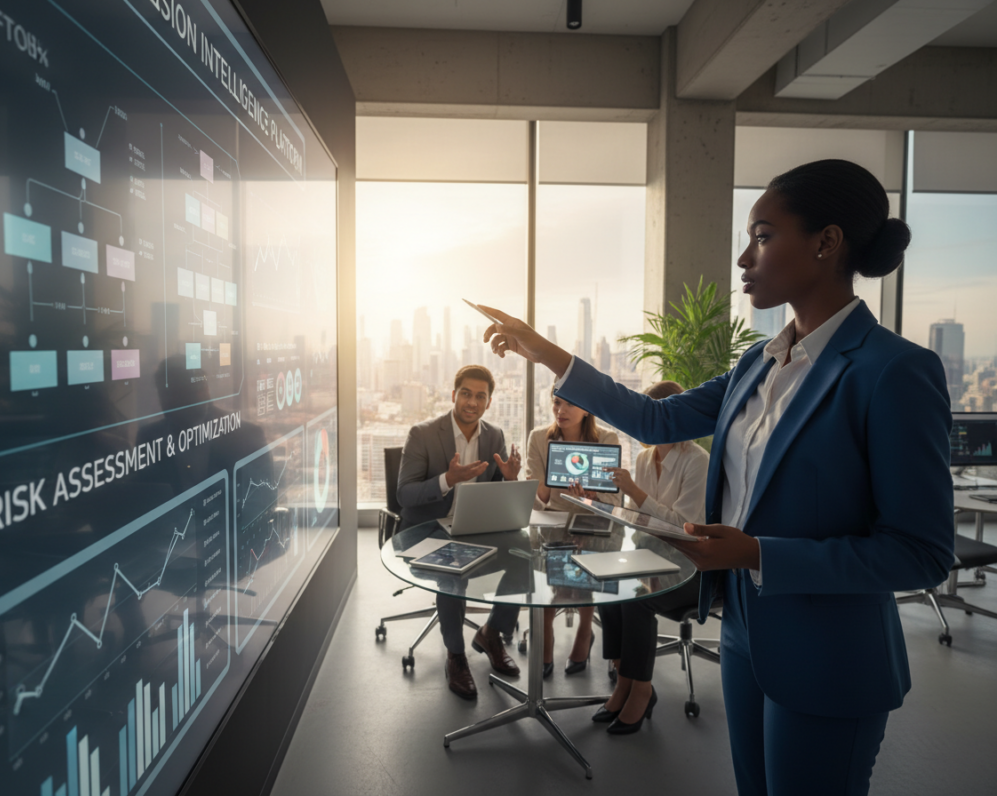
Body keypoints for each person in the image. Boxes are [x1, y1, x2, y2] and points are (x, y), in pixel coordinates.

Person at [477, 160, 955, 795]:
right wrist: (549, 353)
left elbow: (921, 554)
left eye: (761, 235)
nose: (742, 258)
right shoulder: (759, 362)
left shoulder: (893, 372)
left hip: (830, 655)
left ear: (826, 242)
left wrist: (759, 553)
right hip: (744, 634)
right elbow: (654, 418)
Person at [396, 365, 523, 700]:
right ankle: (456, 655)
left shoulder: (494, 435)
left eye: (480, 396)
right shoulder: (422, 434)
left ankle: (492, 632)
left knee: (524, 557)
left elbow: (495, 495)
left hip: (473, 530)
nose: (472, 402)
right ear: (454, 395)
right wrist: (447, 480)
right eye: (466, 393)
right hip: (427, 531)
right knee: (453, 575)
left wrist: (509, 481)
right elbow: (404, 495)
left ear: (489, 402)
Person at [593, 380, 709, 734]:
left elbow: (682, 527)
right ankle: (624, 681)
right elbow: (639, 522)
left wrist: (635, 493)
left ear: (670, 420)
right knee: (607, 581)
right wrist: (598, 504)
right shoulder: (644, 458)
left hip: (694, 565)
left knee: (638, 599)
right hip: (653, 555)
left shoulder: (697, 462)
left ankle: (641, 689)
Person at [526, 382, 619, 677]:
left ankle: (584, 631)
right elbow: (538, 501)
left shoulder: (607, 438)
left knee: (588, 559)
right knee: (545, 564)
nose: (560, 411)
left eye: (569, 405)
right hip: (552, 519)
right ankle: (546, 630)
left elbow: (616, 499)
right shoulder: (539, 438)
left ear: (586, 409)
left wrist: (589, 498)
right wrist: (539, 485)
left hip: (593, 520)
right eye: (556, 403)